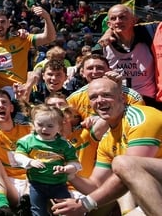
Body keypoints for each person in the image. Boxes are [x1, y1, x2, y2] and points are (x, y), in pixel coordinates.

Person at [50, 78, 162, 216]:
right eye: (93, 97)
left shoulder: (141, 118)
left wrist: (84, 205)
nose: (100, 100)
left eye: (106, 95)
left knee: (123, 163)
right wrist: (70, 176)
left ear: (122, 97)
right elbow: (96, 186)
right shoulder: (107, 139)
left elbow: (129, 171)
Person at [13, 104, 81, 216]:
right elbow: (18, 156)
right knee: (38, 211)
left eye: (50, 126)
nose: (44, 129)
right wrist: (29, 161)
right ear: (34, 123)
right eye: (40, 124)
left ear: (59, 127)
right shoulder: (27, 141)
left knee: (65, 210)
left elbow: (75, 163)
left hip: (59, 184)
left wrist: (66, 168)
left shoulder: (64, 144)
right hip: (36, 184)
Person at [0, 7, 56, 99]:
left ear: (8, 23)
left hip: (20, 91)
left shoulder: (22, 39)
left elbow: (50, 38)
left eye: (2, 22)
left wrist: (46, 17)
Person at [98, 3, 161, 108]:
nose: (118, 21)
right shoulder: (104, 44)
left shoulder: (149, 33)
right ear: (109, 24)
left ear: (134, 20)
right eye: (113, 19)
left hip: (148, 100)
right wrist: (107, 33)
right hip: (118, 100)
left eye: (123, 17)